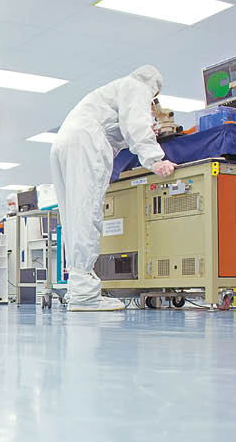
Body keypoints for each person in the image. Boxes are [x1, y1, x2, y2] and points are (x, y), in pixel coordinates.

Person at [49, 65, 177, 312]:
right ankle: (85, 294)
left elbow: (120, 128)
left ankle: (79, 287)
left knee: (74, 216)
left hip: (64, 142)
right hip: (85, 143)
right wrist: (155, 160)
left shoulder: (115, 90)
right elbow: (136, 124)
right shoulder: (138, 87)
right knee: (87, 212)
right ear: (154, 89)